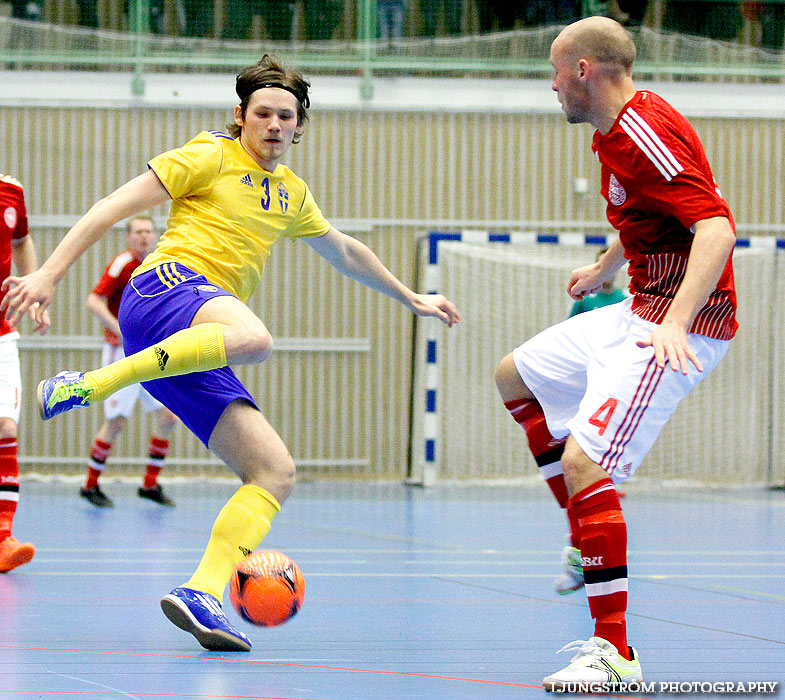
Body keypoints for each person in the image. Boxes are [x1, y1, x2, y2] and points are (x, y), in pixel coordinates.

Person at [1, 55, 460, 650]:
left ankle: (202, 590)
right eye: (262, 112)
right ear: (240, 117)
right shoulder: (207, 155)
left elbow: (345, 251)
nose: (273, 123)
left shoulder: (292, 194)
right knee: (257, 340)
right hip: (162, 289)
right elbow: (110, 209)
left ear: (300, 127)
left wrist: (411, 296)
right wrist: (50, 275)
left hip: (194, 336)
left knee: (274, 471)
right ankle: (96, 381)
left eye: (285, 116)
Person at [494, 17, 737, 690]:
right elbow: (644, 211)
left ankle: (614, 654)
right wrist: (607, 267)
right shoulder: (613, 131)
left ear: (582, 71)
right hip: (636, 306)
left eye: (553, 69)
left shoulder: (643, 132)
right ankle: (582, 535)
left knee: (584, 461)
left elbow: (715, 228)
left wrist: (678, 321)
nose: (549, 83)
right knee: (514, 376)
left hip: (681, 323)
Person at [80, 215, 179, 508]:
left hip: (151, 353)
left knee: (168, 416)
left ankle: (149, 485)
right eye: (138, 232)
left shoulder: (161, 264)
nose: (144, 237)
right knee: (117, 422)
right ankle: (90, 485)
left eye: (148, 232)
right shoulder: (122, 264)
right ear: (128, 237)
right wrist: (120, 329)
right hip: (121, 352)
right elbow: (94, 301)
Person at [0, 174, 50, 573]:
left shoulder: (12, 190)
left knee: (6, 427)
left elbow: (21, 241)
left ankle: (3, 537)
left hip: (2, 333)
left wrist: (33, 289)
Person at [568, 247, 626, 318]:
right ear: (596, 269)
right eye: (604, 267)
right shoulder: (584, 300)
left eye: (610, 266)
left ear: (617, 268)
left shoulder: (625, 299)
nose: (607, 272)